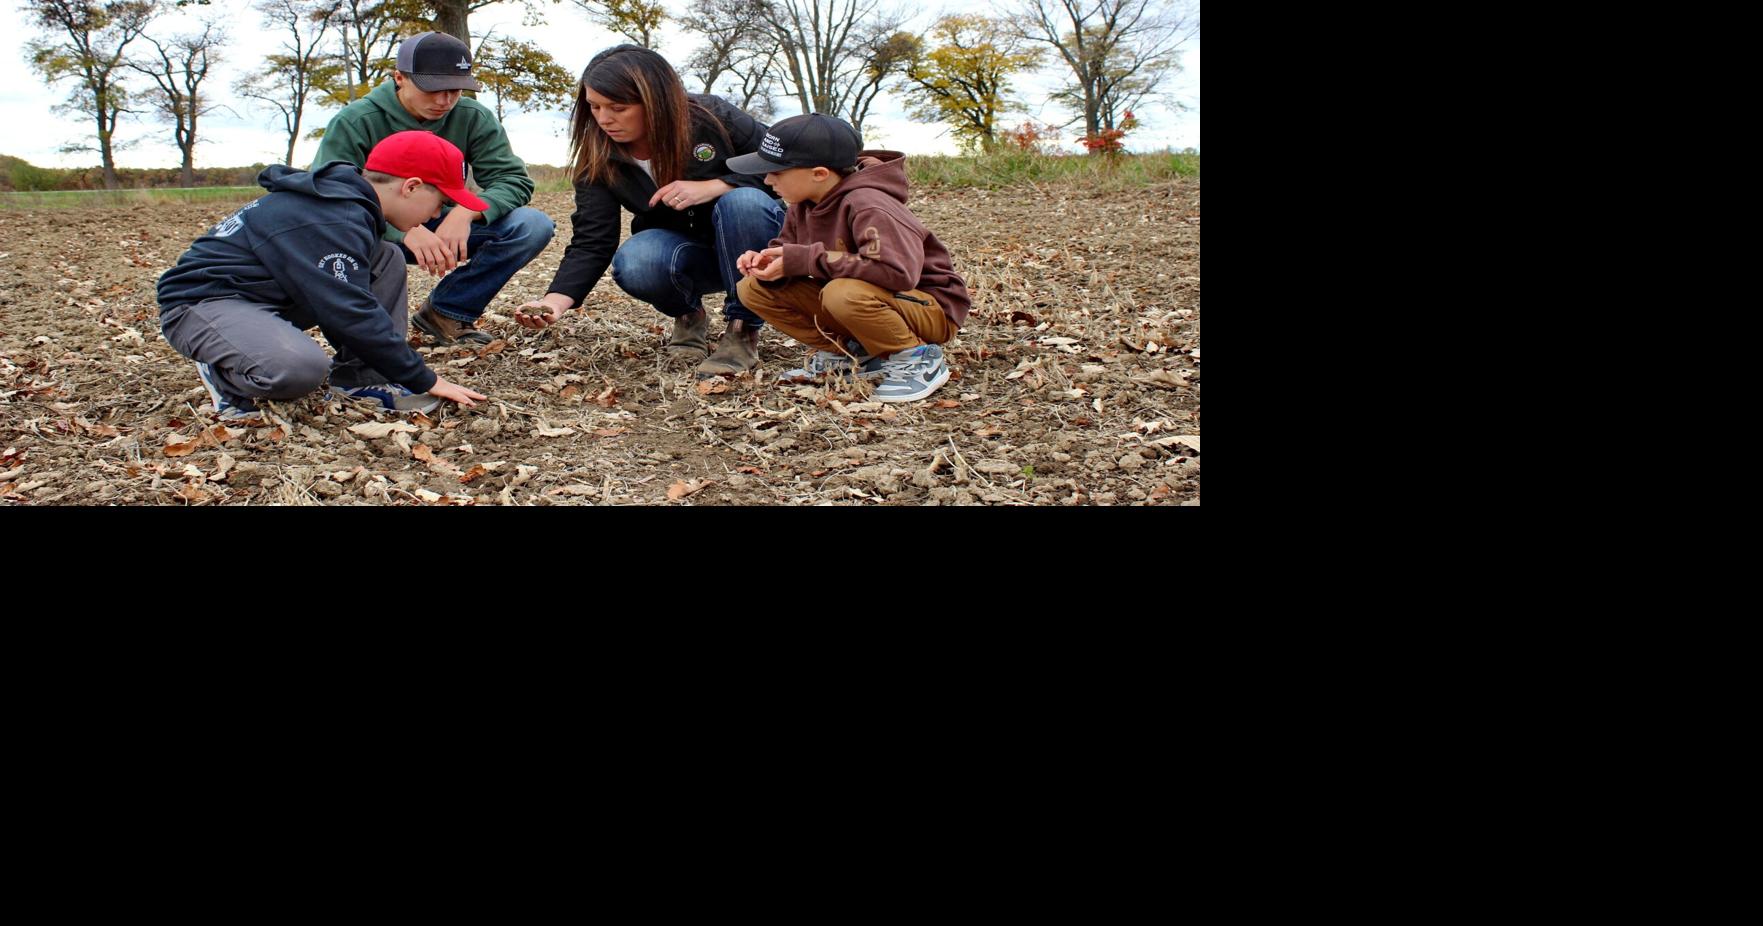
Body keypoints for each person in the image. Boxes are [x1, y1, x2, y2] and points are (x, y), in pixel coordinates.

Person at [158, 131, 488, 420]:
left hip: (266, 297)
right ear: (411, 187)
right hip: (202, 304)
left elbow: (350, 305)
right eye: (440, 202)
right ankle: (223, 373)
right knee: (300, 369)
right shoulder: (335, 218)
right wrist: (425, 379)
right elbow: (351, 313)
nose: (435, 214)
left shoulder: (349, 207)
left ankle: (363, 378)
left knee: (386, 256)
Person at [514, 44, 785, 378]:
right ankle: (689, 316)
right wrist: (554, 302)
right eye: (594, 106)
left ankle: (743, 329)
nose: (603, 118)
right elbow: (592, 239)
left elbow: (786, 166)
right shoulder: (598, 155)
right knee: (637, 260)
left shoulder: (713, 117)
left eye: (618, 107)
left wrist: (717, 185)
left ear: (657, 101)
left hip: (750, 244)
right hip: (685, 253)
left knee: (742, 201)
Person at [312, 30, 554, 346]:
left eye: (455, 90)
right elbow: (330, 196)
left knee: (531, 225)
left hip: (443, 225)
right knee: (348, 238)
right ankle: (369, 333)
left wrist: (466, 213)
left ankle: (447, 311)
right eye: (433, 89)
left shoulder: (473, 116)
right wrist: (400, 231)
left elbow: (513, 179)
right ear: (399, 77)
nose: (445, 101)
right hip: (375, 231)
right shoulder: (356, 120)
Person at [729, 114, 972, 402]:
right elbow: (791, 249)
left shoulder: (869, 204)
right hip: (868, 300)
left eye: (776, 172)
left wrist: (804, 259)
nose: (767, 179)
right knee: (753, 288)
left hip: (928, 309)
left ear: (819, 173)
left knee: (841, 292)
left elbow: (897, 273)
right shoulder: (802, 203)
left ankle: (916, 357)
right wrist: (769, 262)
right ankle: (852, 355)